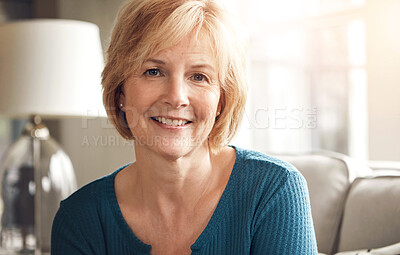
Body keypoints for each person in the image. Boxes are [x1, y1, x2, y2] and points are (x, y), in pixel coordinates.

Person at [51, 0, 318, 254]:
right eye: (153, 71)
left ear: (221, 102)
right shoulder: (80, 220)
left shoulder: (274, 191)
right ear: (120, 93)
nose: (176, 96)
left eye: (199, 76)